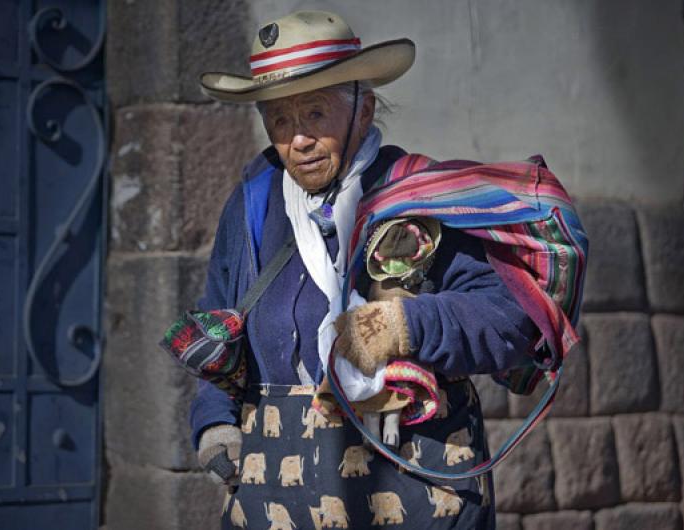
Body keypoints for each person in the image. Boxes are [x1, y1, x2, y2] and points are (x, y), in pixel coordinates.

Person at [189, 10, 587, 530]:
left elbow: (512, 318)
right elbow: (222, 322)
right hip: (275, 490)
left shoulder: (417, 198)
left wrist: (403, 326)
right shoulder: (252, 204)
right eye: (280, 120)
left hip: (411, 481)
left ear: (364, 107)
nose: (298, 140)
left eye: (315, 113)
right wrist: (214, 422)